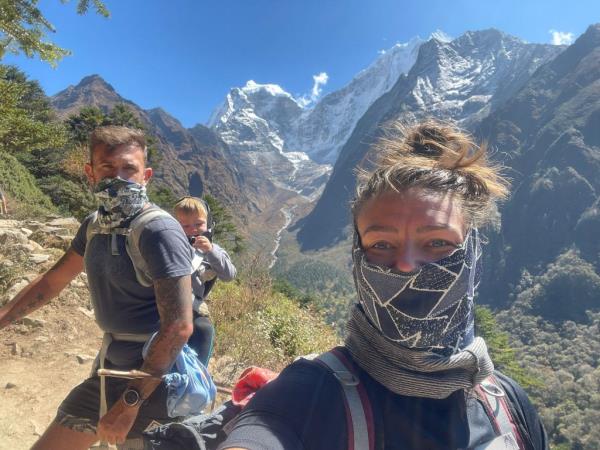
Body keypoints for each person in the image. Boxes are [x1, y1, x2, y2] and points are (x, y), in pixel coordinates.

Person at [219, 120, 548, 450]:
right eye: (381, 245)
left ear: (474, 253)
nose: (405, 265)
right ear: (357, 257)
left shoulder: (511, 406)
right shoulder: (307, 395)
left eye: (436, 242)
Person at [0, 126, 194, 449]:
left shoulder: (159, 231)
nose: (118, 177)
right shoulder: (95, 225)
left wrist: (129, 403)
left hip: (152, 379)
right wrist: (4, 317)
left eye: (129, 169)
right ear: (90, 173)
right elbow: (53, 281)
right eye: (107, 168)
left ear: (146, 175)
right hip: (111, 367)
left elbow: (178, 327)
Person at [173, 196, 237, 365]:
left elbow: (229, 275)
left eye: (198, 224)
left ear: (208, 224)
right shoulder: (170, 245)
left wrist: (210, 251)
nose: (193, 230)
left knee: (204, 329)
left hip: (193, 307)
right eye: (185, 226)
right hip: (164, 301)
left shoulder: (215, 251)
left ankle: (198, 372)